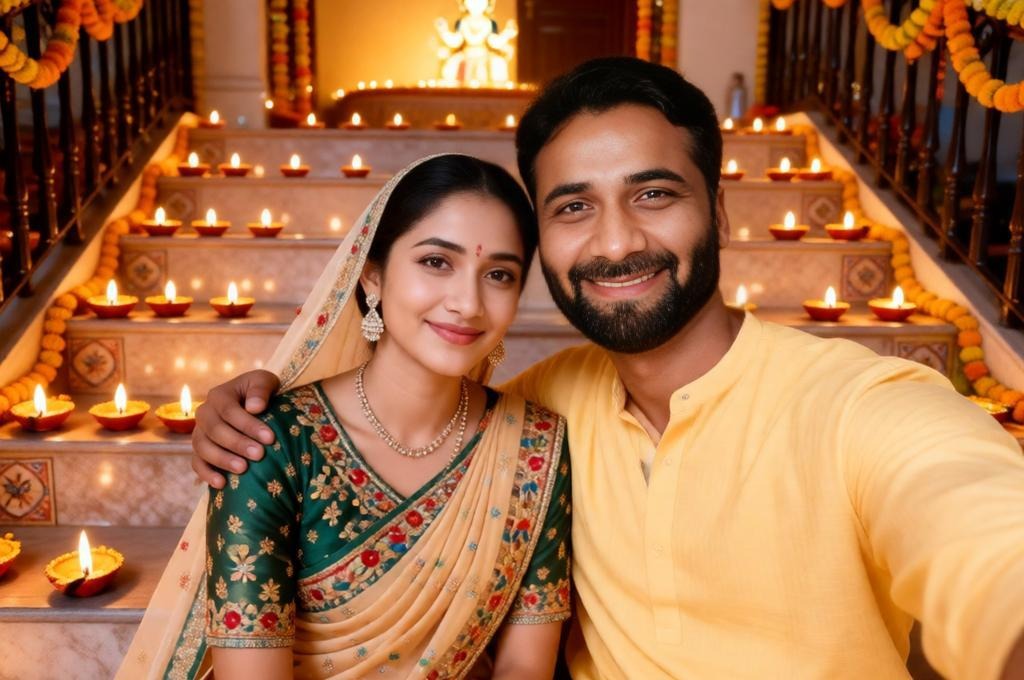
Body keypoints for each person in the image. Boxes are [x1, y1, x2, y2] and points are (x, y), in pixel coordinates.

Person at [189, 58, 1024, 680]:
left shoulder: (861, 406)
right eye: (574, 207)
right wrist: (244, 405)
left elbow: (978, 535)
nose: (617, 241)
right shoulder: (540, 406)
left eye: (654, 194)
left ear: (719, 210)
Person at [117, 155, 572, 680]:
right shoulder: (272, 442)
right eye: (436, 262)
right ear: (372, 277)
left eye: (498, 275)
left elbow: (524, 667)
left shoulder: (534, 448)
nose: (468, 303)